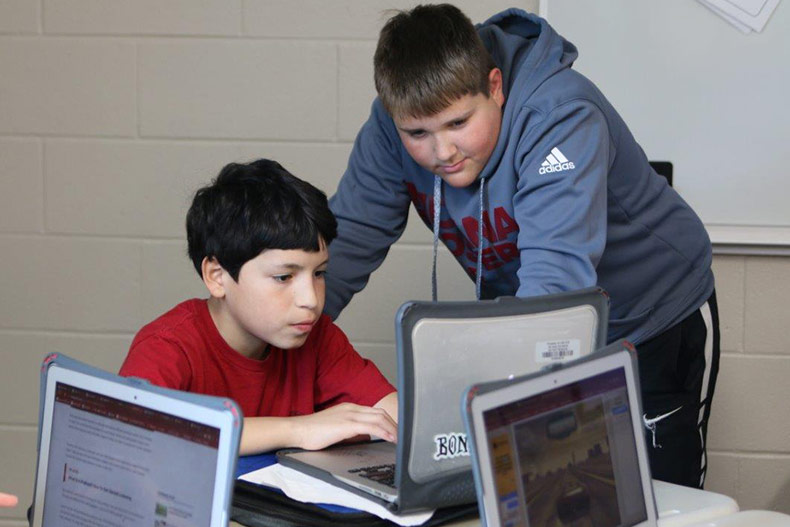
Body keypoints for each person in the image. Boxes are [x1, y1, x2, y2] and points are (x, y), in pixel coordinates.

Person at [325, 4, 719, 489]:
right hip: (541, 310)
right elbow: (343, 245)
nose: (441, 152)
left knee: (646, 495)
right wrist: (270, 342)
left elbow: (554, 290)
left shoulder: (560, 115)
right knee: (545, 487)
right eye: (418, 134)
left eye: (457, 123)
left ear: (495, 86)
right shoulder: (391, 126)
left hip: (648, 314)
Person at [120, 159, 397, 455]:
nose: (311, 300)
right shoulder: (167, 346)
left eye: (319, 273)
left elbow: (395, 415)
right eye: (283, 277)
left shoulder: (317, 337)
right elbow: (134, 432)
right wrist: (300, 429)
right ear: (217, 277)